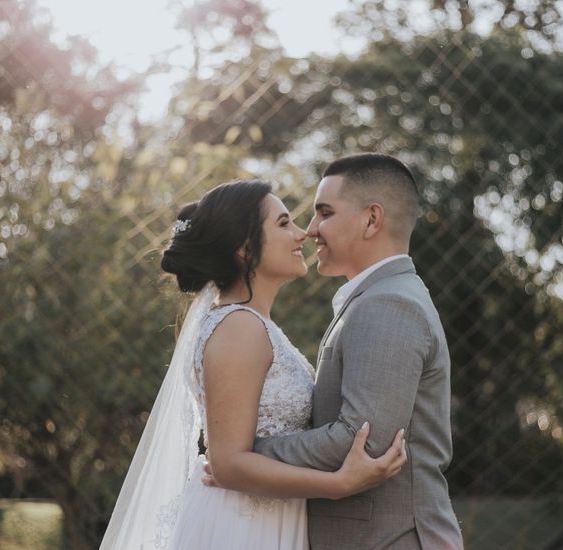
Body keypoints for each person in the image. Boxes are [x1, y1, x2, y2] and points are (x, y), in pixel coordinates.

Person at [100, 179, 407, 550]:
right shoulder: (239, 328)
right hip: (242, 526)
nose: (302, 234)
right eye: (283, 224)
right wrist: (340, 483)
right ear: (245, 249)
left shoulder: (250, 324)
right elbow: (227, 463)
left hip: (267, 517)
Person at [208, 154, 464, 549]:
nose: (310, 231)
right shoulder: (373, 299)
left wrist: (244, 455)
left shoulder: (388, 305)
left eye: (323, 213)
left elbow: (360, 440)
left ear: (371, 220)